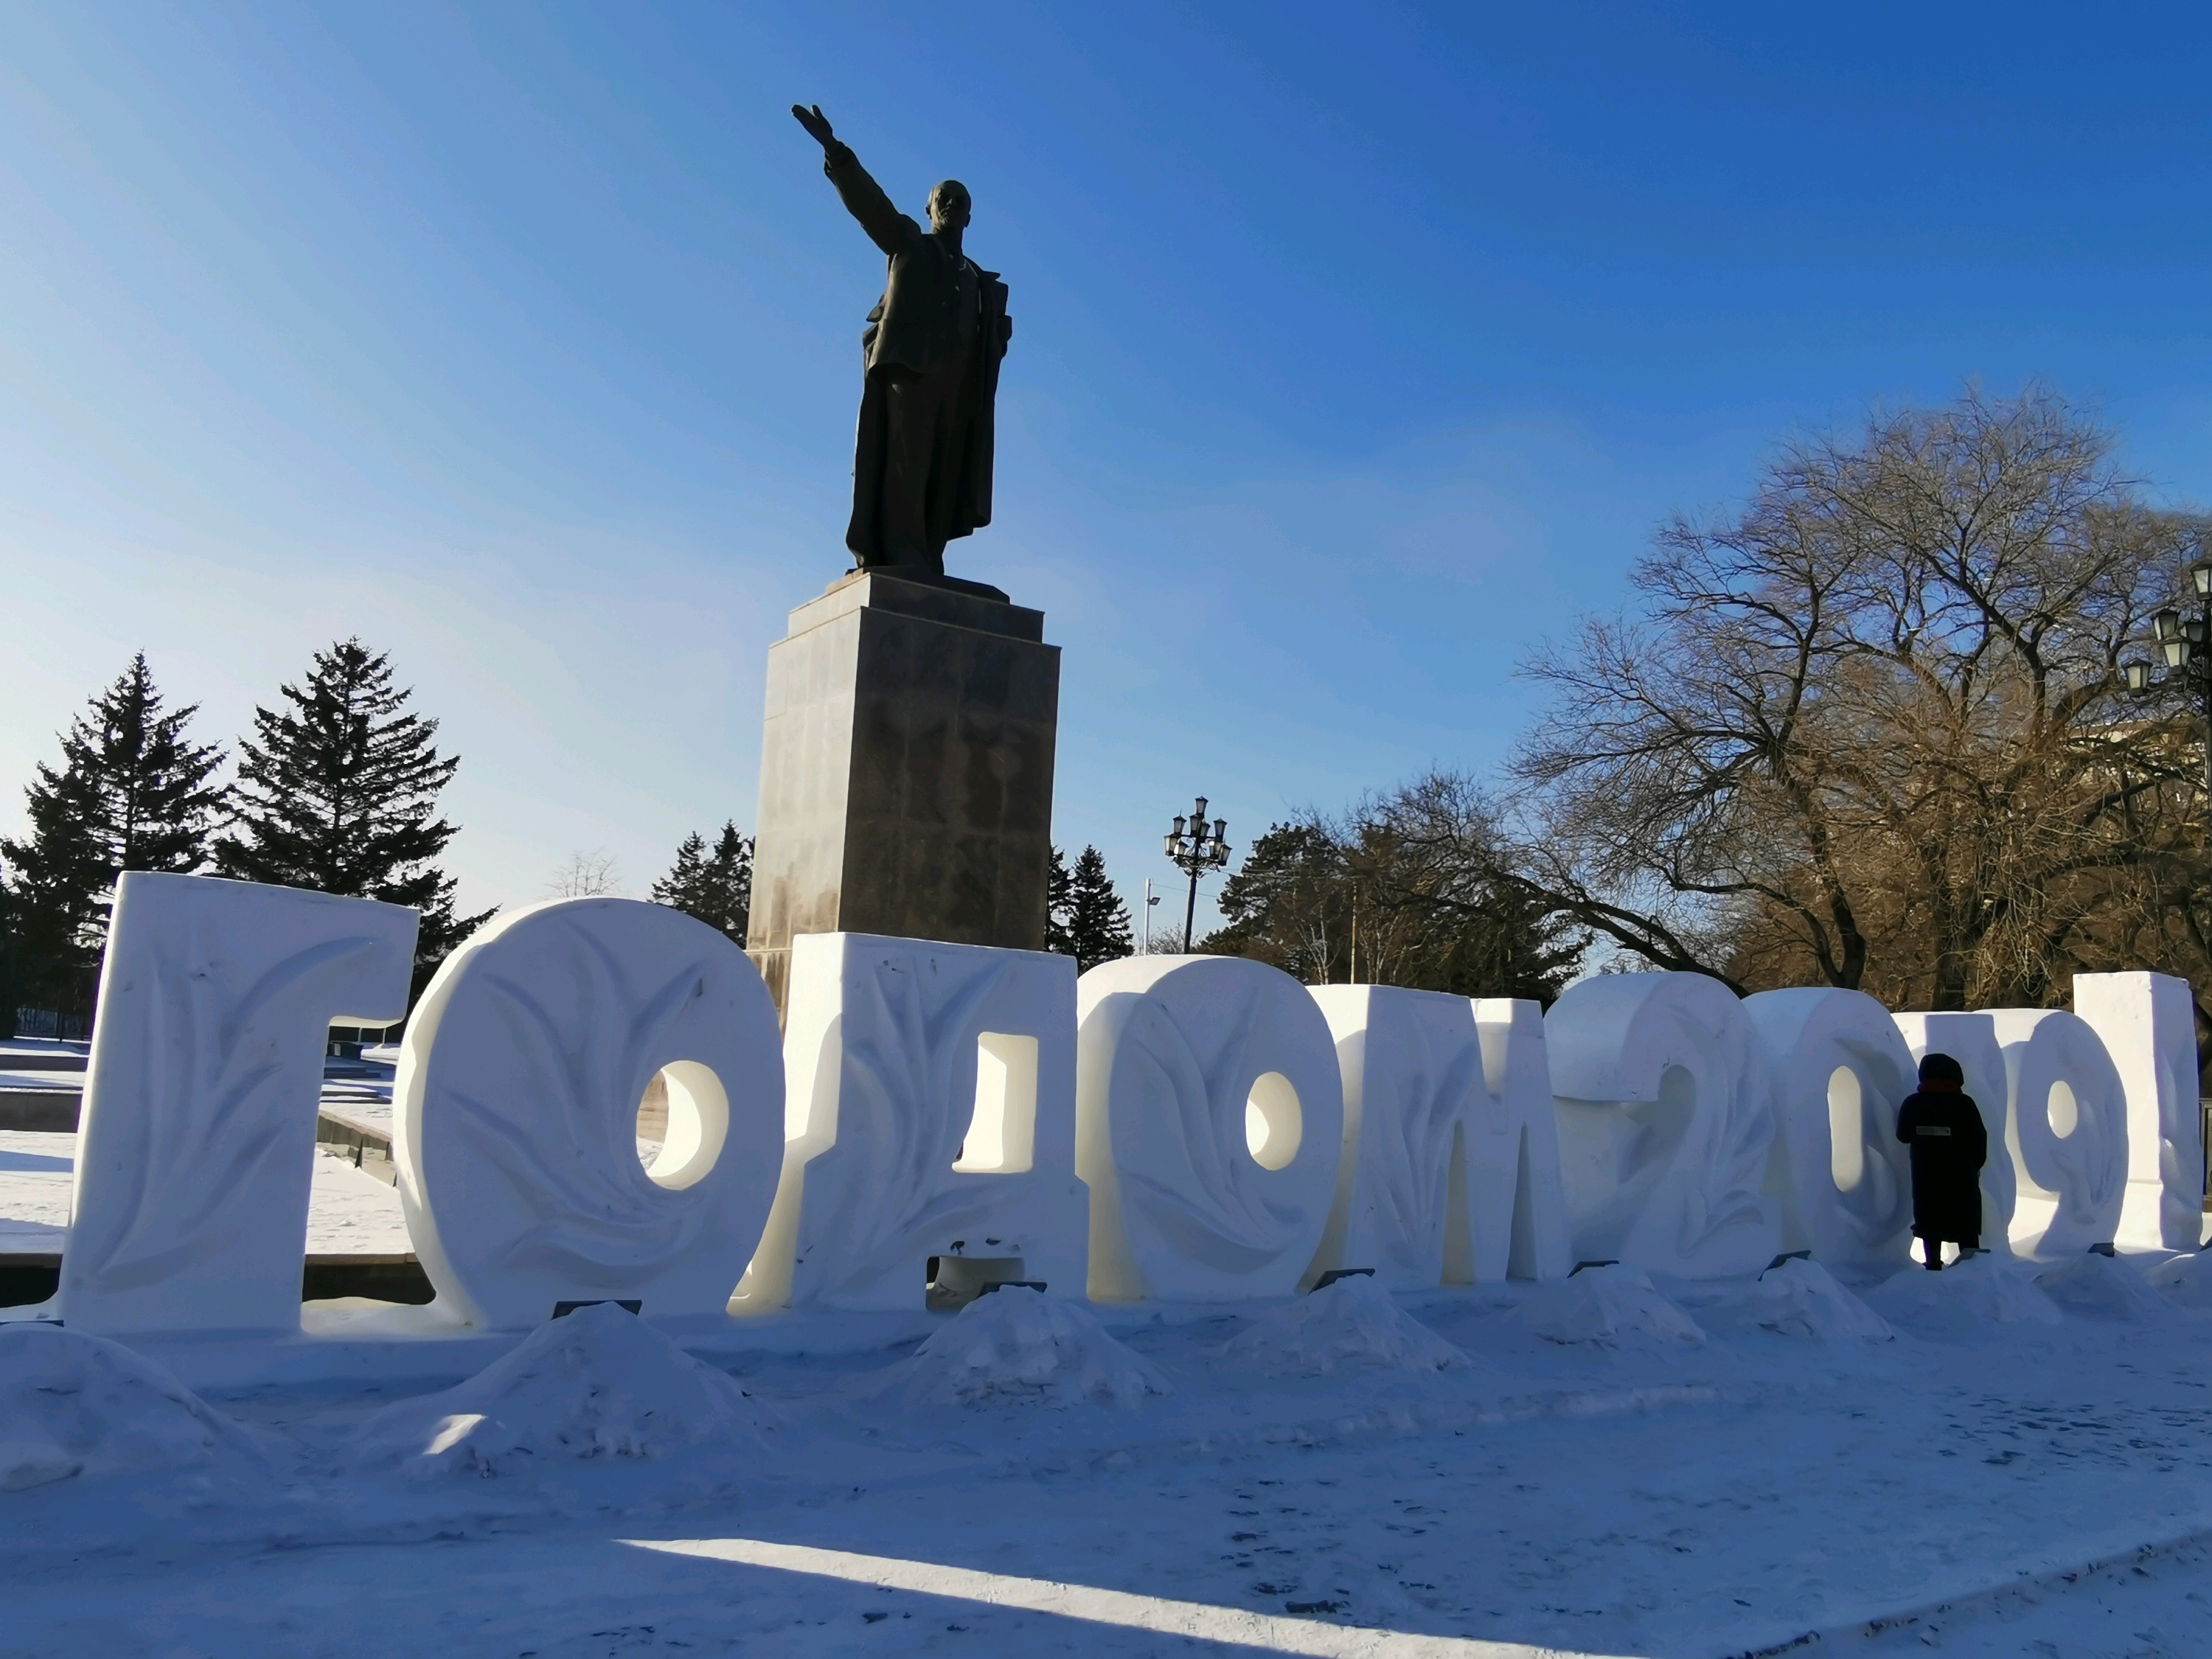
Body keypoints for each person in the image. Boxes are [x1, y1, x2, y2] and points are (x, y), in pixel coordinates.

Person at [791, 103, 1014, 577]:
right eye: (944, 199)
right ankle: (901, 551)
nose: (952, 205)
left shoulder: (980, 280)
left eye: (961, 201)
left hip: (959, 389)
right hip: (911, 376)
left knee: (945, 471)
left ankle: (929, 554)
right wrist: (836, 153)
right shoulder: (912, 243)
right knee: (906, 465)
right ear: (929, 209)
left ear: (970, 218)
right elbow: (873, 208)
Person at [1895, 1052, 1989, 1270]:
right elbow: (1979, 1139)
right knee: (1966, 1223)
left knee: (1930, 1222)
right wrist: (1974, 1165)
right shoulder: (1964, 1104)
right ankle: (1973, 1268)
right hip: (1961, 1177)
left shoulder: (1913, 1103)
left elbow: (1902, 1135)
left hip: (1926, 1175)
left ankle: (1933, 1266)